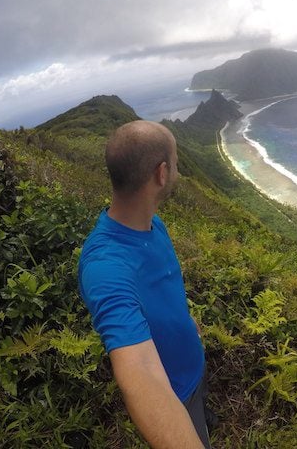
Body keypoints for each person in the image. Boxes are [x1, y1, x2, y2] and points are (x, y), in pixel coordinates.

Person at [78, 120, 211, 448]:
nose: (178, 171)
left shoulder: (153, 225)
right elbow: (140, 369)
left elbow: (162, 286)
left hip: (193, 366)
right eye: (176, 164)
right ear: (162, 173)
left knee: (205, 414)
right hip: (174, 393)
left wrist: (184, 320)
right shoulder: (105, 266)